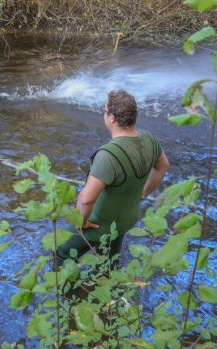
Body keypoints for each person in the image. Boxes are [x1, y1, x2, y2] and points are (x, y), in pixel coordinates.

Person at [57, 89, 169, 264]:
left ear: (112, 118)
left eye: (104, 111)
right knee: (107, 263)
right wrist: (144, 193)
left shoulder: (108, 156)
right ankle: (103, 286)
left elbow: (86, 200)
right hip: (125, 221)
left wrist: (82, 223)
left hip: (100, 225)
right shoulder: (150, 139)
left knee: (61, 253)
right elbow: (163, 166)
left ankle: (68, 291)